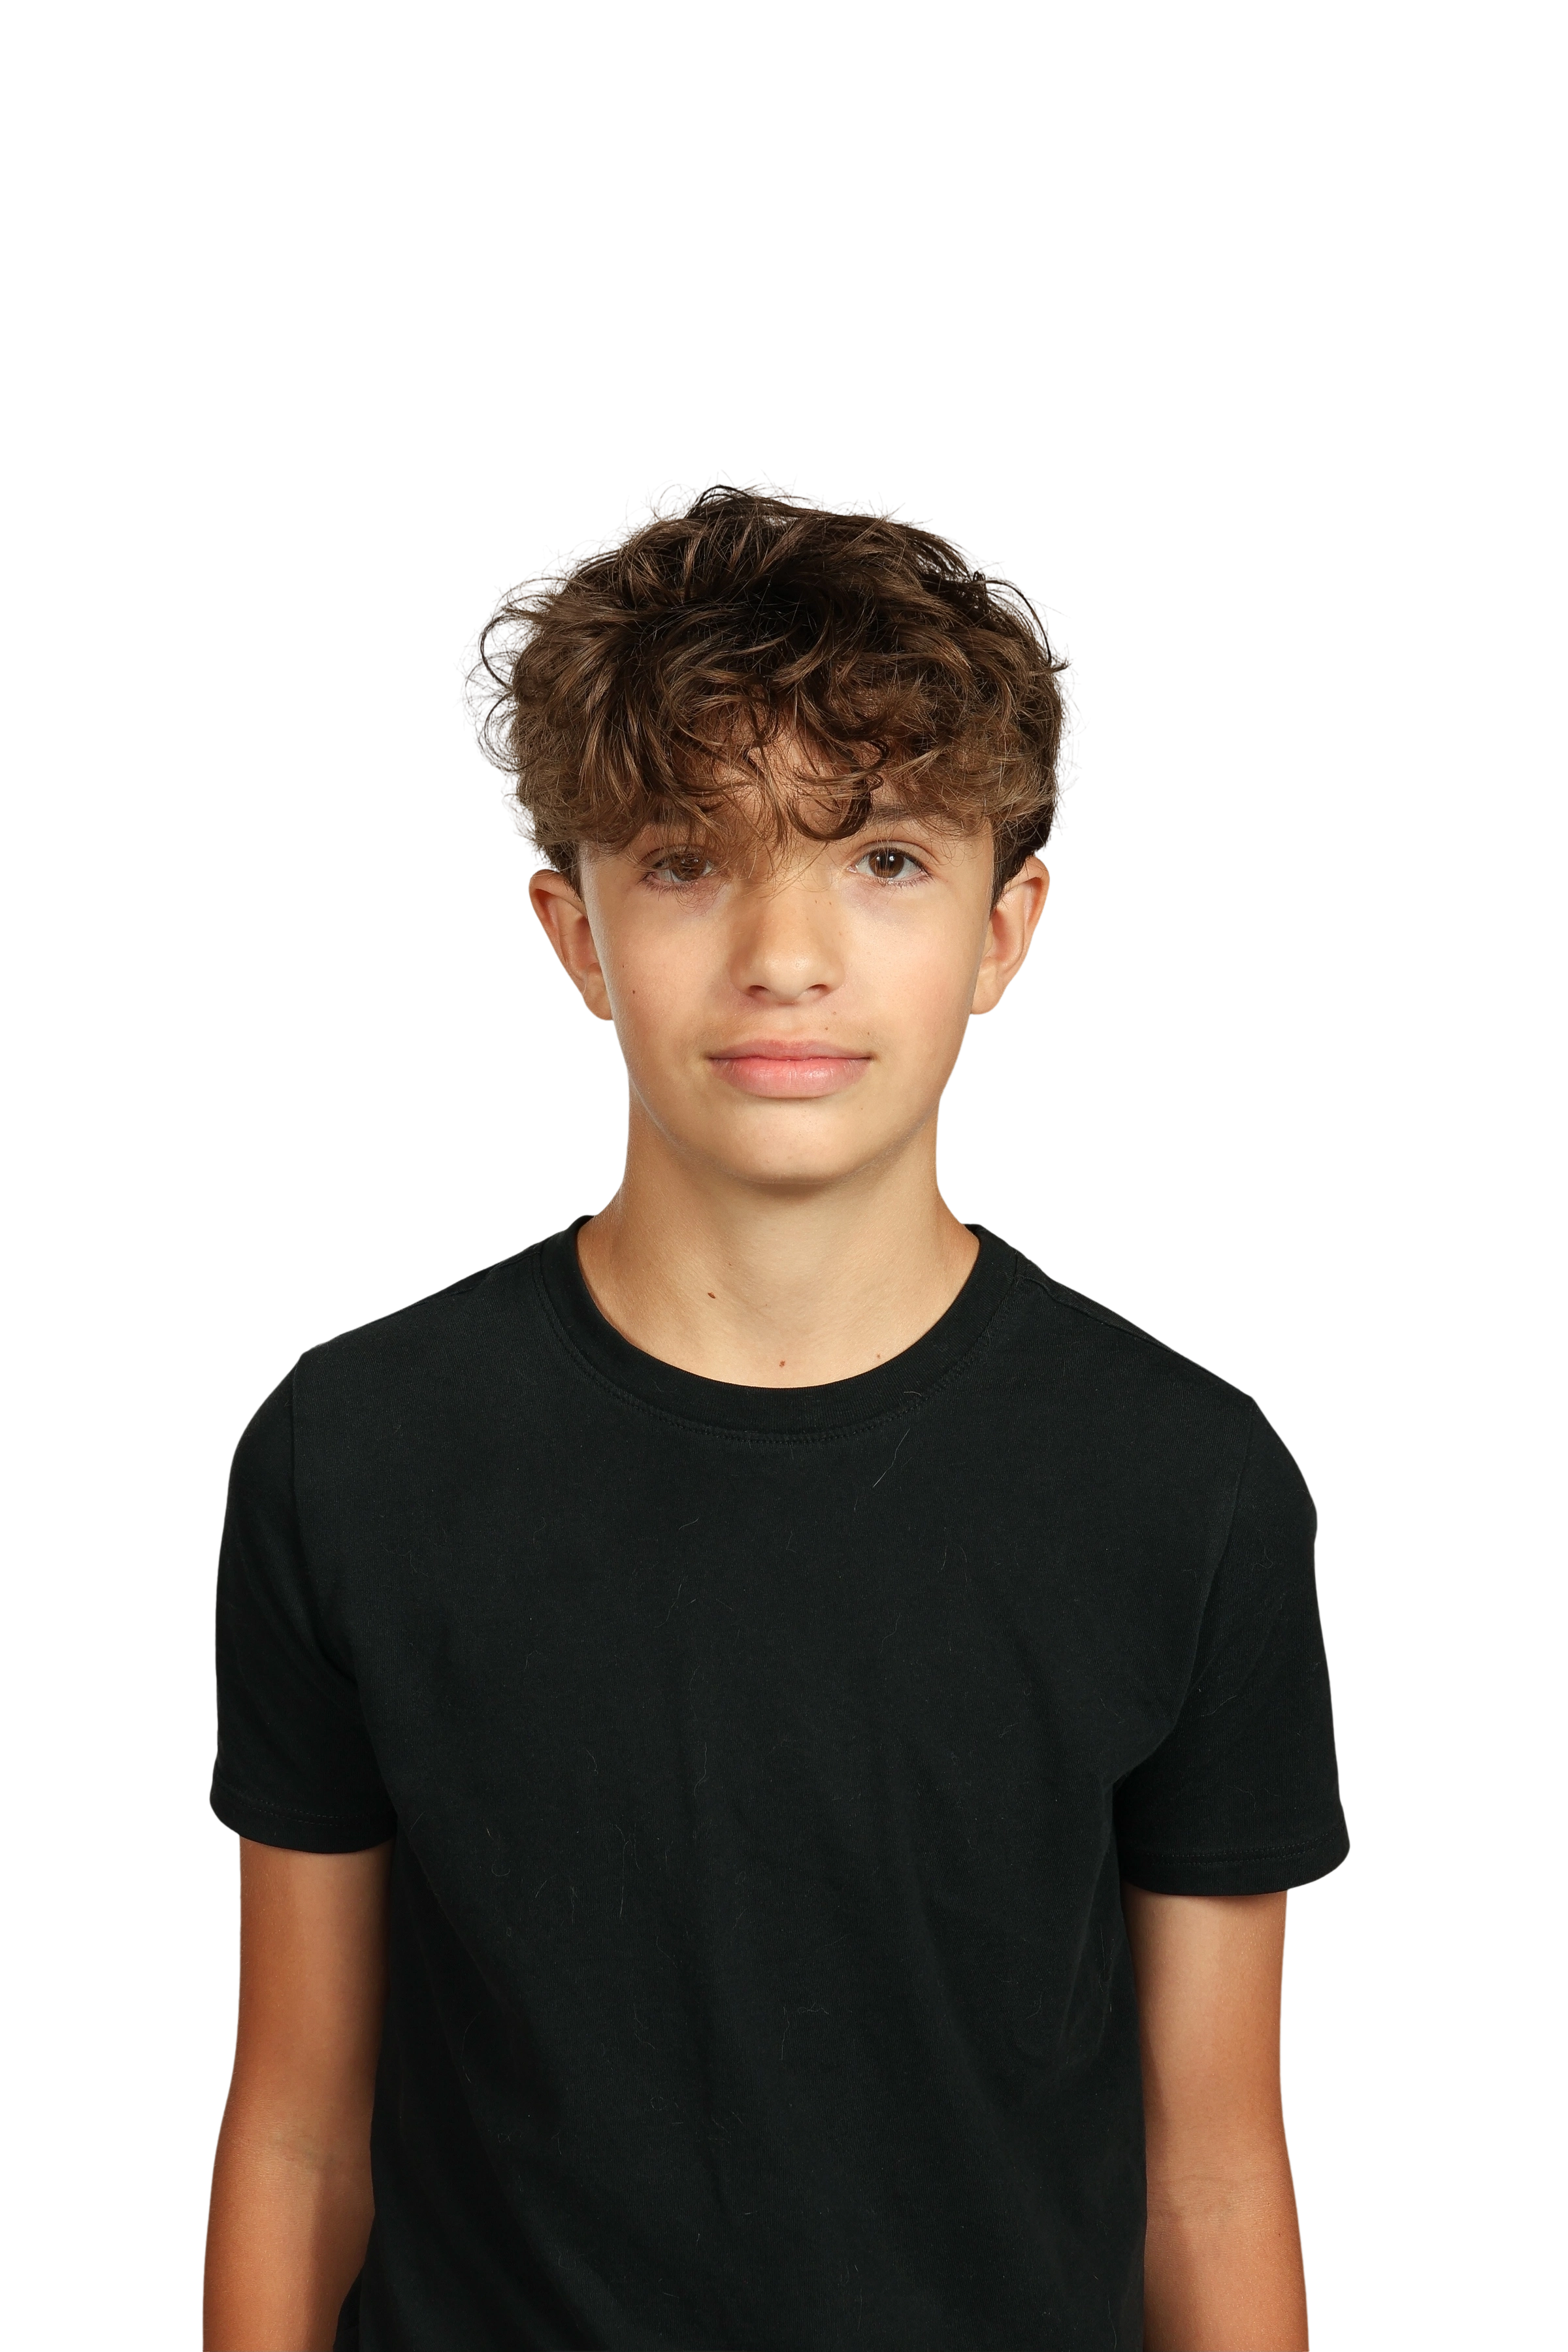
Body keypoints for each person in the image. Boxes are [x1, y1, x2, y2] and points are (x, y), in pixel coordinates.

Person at [201, 468, 1351, 2351]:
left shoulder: (1185, 1483)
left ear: (1005, 928)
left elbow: (1212, 2167)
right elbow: (299, 2134)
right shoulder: (355, 1455)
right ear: (574, 932)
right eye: (685, 858)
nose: (785, 955)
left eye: (883, 858)